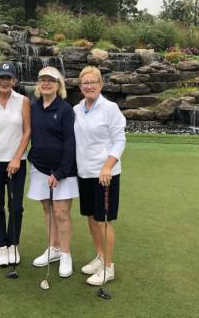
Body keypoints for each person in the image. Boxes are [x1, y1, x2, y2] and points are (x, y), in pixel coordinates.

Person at [73, 66, 126, 285]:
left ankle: (109, 267)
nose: (89, 86)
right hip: (84, 172)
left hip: (105, 174)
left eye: (93, 82)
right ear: (80, 86)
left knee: (104, 221)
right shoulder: (77, 109)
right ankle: (99, 257)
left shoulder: (110, 108)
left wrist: (107, 166)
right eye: (85, 83)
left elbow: (120, 140)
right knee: (92, 218)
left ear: (101, 85)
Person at [27, 65, 78, 277]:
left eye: (51, 80)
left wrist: (59, 173)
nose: (46, 83)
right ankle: (53, 248)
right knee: (47, 208)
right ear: (39, 84)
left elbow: (70, 143)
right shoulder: (34, 107)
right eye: (43, 79)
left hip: (62, 170)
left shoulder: (65, 109)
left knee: (61, 211)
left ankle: (66, 254)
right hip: (39, 167)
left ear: (58, 85)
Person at [0, 61, 31, 266]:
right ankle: (2, 246)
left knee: (16, 206)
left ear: (14, 81)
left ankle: (13, 244)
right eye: (1, 78)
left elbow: (28, 131)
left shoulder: (23, 101)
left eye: (8, 78)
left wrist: (16, 158)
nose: (4, 82)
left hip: (17, 162)